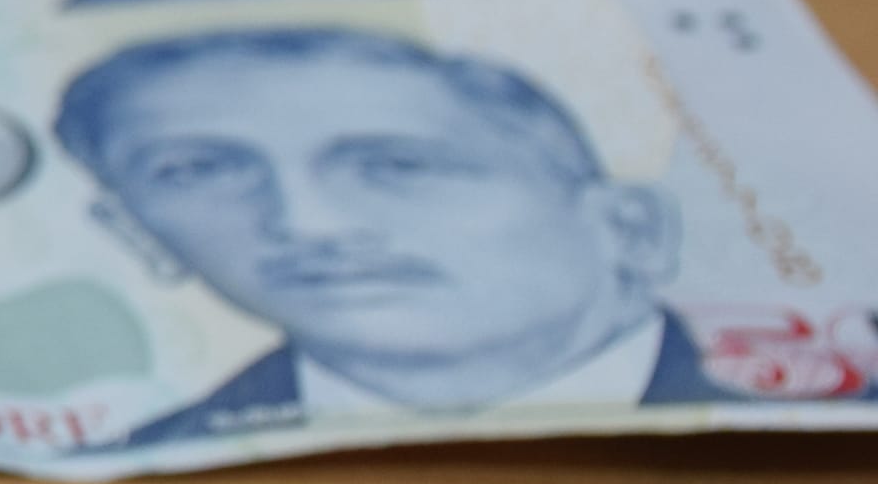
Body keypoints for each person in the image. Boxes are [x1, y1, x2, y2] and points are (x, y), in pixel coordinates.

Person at [55, 26, 726, 450]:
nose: (307, 224)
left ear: (627, 227)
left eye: (399, 166)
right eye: (200, 170)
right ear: (137, 234)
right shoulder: (110, 476)